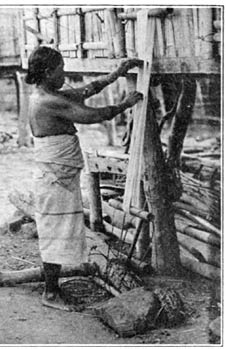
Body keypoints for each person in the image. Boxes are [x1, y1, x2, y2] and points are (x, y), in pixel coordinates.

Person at [25, 46, 143, 311]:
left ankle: (52, 288)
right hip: (53, 175)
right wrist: (125, 104)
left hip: (58, 173)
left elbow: (85, 91)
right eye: (61, 69)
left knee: (58, 228)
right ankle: (50, 292)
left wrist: (116, 74)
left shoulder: (47, 93)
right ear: (47, 72)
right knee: (54, 230)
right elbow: (92, 115)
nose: (64, 73)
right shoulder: (46, 101)